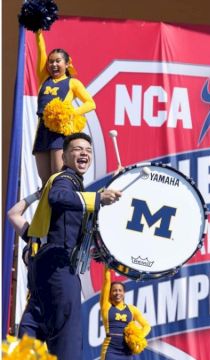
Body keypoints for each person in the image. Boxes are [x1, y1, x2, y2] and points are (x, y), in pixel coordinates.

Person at [27, 133, 121, 358]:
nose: (84, 154)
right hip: (57, 263)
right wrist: (98, 200)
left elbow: (71, 227)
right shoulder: (64, 179)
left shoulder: (76, 185)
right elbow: (57, 197)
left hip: (50, 264)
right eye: (78, 149)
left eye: (88, 151)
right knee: (67, 338)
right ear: (65, 156)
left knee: (34, 335)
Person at [32, 30, 96, 187]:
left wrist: (70, 113)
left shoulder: (72, 83)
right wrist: (38, 31)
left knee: (58, 177)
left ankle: (61, 206)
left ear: (67, 64)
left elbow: (90, 103)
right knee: (45, 181)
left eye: (58, 61)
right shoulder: (44, 78)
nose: (53, 64)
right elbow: (41, 51)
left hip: (59, 133)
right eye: (51, 61)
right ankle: (46, 209)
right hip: (42, 131)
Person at [7, 190, 45, 341]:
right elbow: (13, 214)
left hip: (57, 307)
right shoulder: (33, 236)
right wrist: (36, 195)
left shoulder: (64, 236)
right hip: (35, 308)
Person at [100, 267, 150, 359]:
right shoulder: (106, 306)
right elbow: (107, 281)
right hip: (110, 349)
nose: (117, 293)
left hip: (126, 351)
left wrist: (138, 337)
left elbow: (147, 326)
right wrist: (107, 266)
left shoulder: (132, 309)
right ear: (110, 293)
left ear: (124, 293)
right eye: (114, 290)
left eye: (120, 290)